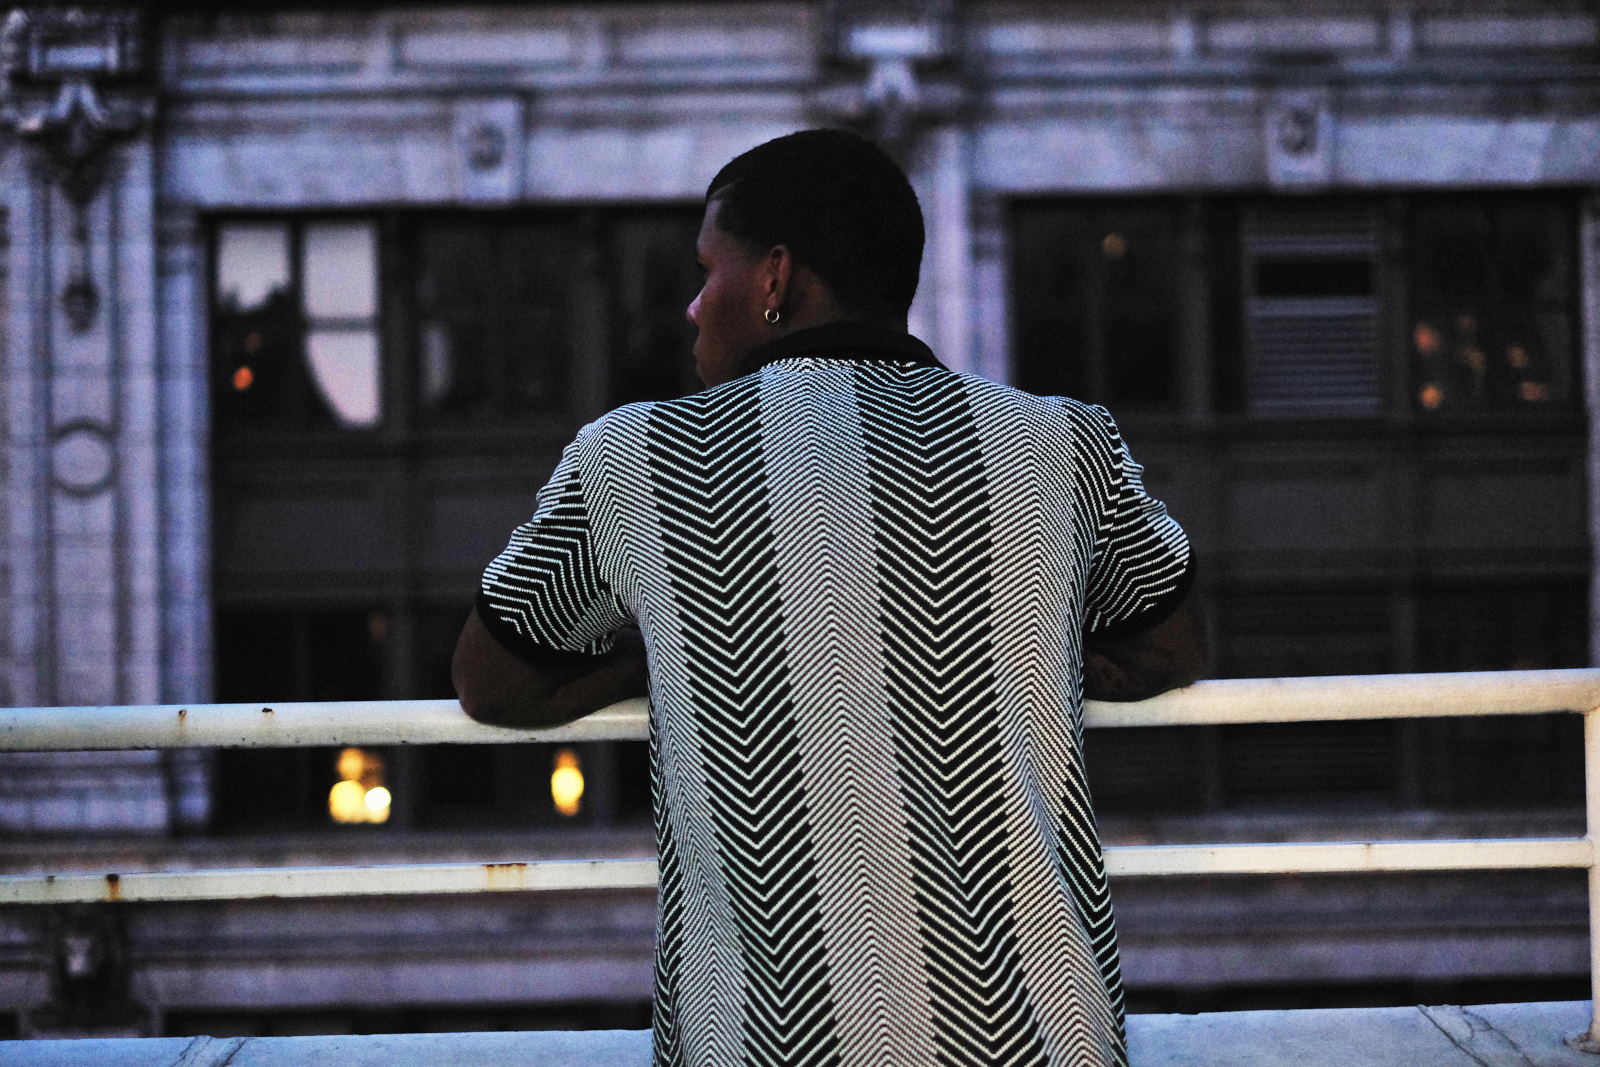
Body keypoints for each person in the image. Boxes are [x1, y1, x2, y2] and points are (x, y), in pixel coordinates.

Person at [454, 128, 1205, 1067]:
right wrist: (1016, 654)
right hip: (1037, 1037)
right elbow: (1171, 648)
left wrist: (668, 657)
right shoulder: (1064, 442)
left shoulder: (633, 459)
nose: (693, 307)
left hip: (766, 1041)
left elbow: (490, 680)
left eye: (706, 270)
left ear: (774, 279)